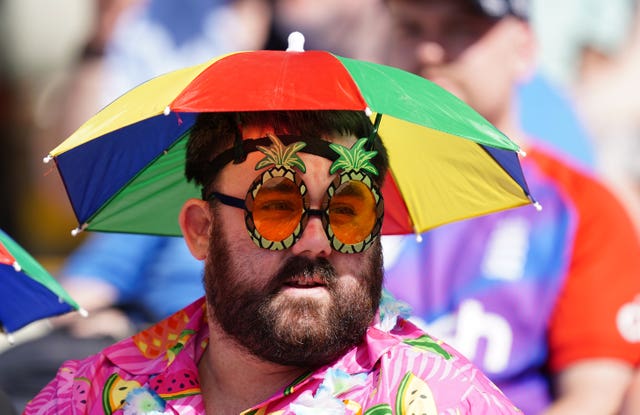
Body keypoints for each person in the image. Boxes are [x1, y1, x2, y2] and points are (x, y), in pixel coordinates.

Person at [24, 110, 522, 414]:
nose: (315, 241)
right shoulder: (93, 395)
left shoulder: (444, 400)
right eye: (277, 206)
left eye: (347, 209)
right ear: (201, 231)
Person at [382, 0, 640, 414]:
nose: (429, 50)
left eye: (461, 27)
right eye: (410, 28)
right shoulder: (341, 189)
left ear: (523, 51)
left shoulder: (581, 207)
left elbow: (594, 399)